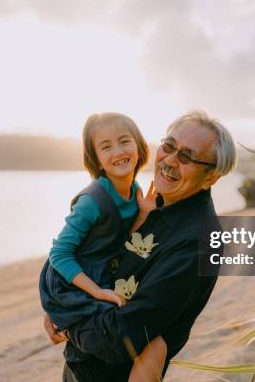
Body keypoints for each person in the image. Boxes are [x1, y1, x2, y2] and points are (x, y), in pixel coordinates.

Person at [44, 110, 238, 381]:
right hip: (81, 366)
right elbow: (94, 255)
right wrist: (62, 299)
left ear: (211, 177)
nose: (169, 160)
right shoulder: (151, 204)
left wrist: (67, 322)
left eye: (186, 157)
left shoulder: (199, 242)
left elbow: (121, 337)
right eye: (168, 146)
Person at [39, 112, 165, 381]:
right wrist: (96, 291)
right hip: (70, 278)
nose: (118, 152)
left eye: (124, 141)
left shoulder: (134, 189)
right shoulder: (92, 201)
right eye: (106, 146)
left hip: (97, 271)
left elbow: (119, 237)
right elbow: (59, 253)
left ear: (139, 146)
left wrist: (142, 214)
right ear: (96, 158)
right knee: (103, 339)